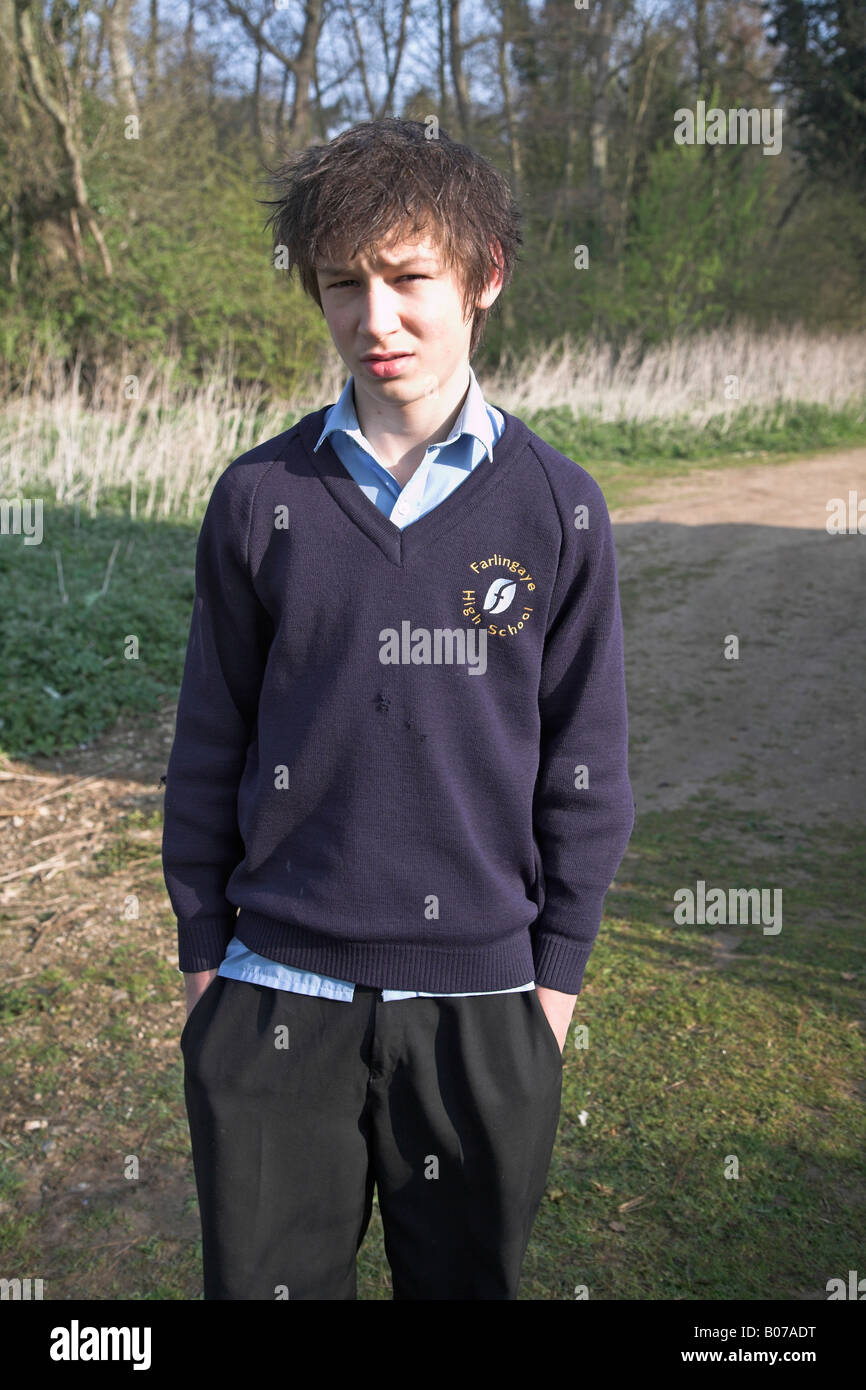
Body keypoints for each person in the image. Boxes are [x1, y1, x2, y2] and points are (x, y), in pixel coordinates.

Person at [161, 117, 634, 1301]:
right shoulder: (259, 498)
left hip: (482, 1008)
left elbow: (586, 767)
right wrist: (204, 970)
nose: (375, 320)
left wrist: (549, 993)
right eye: (342, 285)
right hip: (275, 994)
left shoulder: (556, 509)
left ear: (483, 279)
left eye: (409, 278)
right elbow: (210, 740)